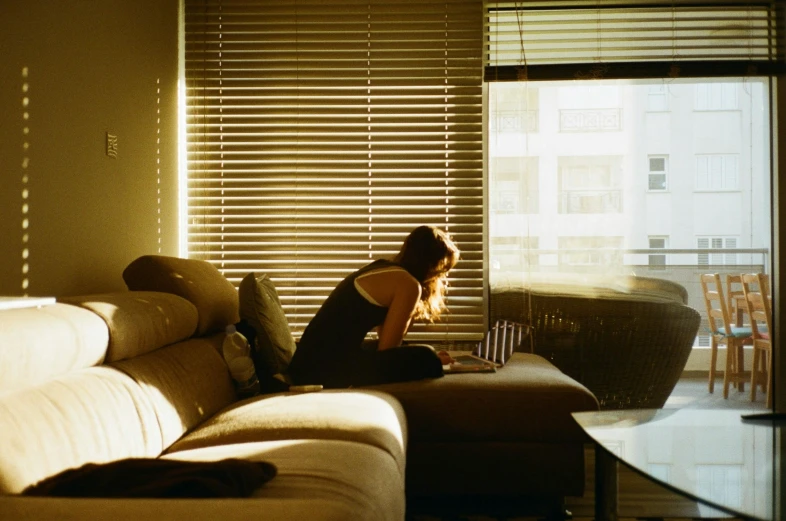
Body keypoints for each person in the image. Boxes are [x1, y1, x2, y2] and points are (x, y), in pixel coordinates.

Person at [287, 225, 459, 388]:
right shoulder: (408, 284)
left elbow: (385, 339)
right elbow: (387, 352)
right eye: (442, 269)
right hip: (321, 371)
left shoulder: (383, 268)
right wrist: (432, 361)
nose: (442, 277)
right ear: (430, 264)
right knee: (426, 355)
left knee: (412, 350)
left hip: (308, 364)